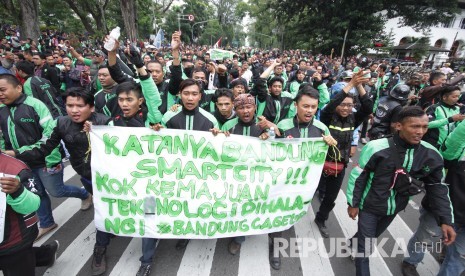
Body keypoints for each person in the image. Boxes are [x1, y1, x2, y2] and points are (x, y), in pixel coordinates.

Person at [346, 106, 456, 276]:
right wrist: (353, 203)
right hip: (369, 206)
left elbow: (437, 188)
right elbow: (358, 176)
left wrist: (445, 220)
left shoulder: (432, 155)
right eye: (414, 126)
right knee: (365, 249)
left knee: (370, 236)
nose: (420, 131)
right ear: (398, 126)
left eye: (424, 127)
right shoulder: (376, 147)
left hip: (394, 208)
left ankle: (354, 242)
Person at [0, 73, 93, 241]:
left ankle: (84, 194)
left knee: (56, 191)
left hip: (44, 161)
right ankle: (46, 223)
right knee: (37, 193)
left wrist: (52, 161)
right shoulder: (1, 111)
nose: (0, 94)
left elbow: (50, 137)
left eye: (3, 90)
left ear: (18, 87)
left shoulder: (35, 106)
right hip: (20, 164)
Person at [314, 70, 373, 238]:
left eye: (350, 105)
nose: (346, 108)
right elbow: (332, 104)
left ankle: (321, 218)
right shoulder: (326, 116)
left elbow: (368, 107)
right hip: (319, 164)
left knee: (330, 198)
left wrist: (359, 85)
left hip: (339, 166)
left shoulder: (353, 120)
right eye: (343, 104)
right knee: (308, 192)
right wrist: (350, 85)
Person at [0, 153, 59, 276]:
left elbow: (34, 204)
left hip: (13, 242)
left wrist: (18, 191)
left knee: (19, 260)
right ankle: (47, 255)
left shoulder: (15, 168)